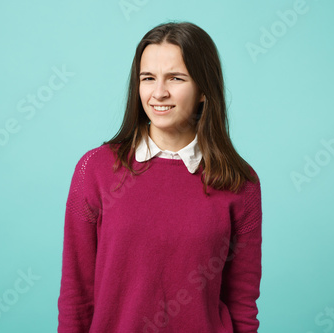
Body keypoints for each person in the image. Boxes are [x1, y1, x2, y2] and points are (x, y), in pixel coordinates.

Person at [58, 21, 262, 333]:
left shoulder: (240, 182)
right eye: (148, 78)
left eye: (176, 78)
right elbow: (77, 295)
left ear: (204, 90)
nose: (159, 93)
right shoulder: (95, 170)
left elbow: (242, 303)